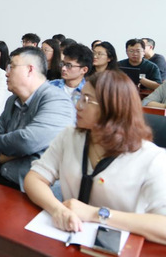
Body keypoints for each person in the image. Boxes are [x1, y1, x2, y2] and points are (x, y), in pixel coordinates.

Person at [24, 71, 166, 245]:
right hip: (67, 237)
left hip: (119, 246)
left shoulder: (152, 158)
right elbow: (35, 178)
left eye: (86, 100)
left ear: (112, 108)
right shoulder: (70, 136)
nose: (77, 106)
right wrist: (58, 210)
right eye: (78, 97)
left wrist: (95, 214)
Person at [0, 47, 74, 190]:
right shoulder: (12, 101)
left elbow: (27, 141)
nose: (6, 73)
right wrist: (5, 155)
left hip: (29, 190)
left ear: (30, 70)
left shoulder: (57, 100)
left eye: (11, 67)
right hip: (1, 178)